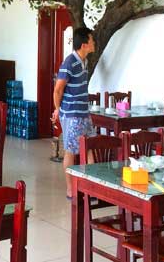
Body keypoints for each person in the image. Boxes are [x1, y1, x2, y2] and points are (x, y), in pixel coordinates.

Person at [51, 27, 95, 199]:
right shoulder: (69, 62)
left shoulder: (85, 62)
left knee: (90, 148)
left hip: (84, 113)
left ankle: (90, 187)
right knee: (70, 151)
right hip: (72, 114)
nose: (94, 42)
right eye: (91, 40)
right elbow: (58, 90)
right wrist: (58, 110)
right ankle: (71, 189)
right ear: (84, 45)